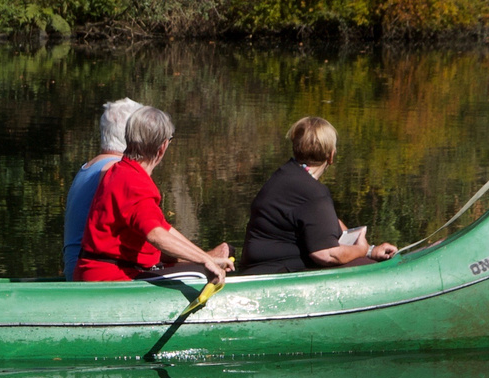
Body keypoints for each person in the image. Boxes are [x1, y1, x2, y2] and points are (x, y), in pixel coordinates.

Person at [73, 107, 229, 285]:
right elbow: (155, 234)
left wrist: (203, 256)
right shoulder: (136, 183)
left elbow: (163, 228)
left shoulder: (119, 170)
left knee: (203, 264)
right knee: (200, 275)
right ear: (162, 147)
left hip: (96, 271)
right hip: (110, 277)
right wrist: (205, 261)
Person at [240, 117, 398, 274]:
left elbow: (324, 222)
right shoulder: (312, 193)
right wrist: (362, 250)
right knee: (366, 265)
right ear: (331, 156)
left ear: (296, 147)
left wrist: (371, 250)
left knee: (361, 258)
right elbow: (327, 254)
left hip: (258, 268)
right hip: (277, 274)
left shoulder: (284, 175)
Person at [63, 98, 145, 280]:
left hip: (75, 268)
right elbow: (147, 228)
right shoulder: (116, 170)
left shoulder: (89, 166)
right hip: (93, 273)